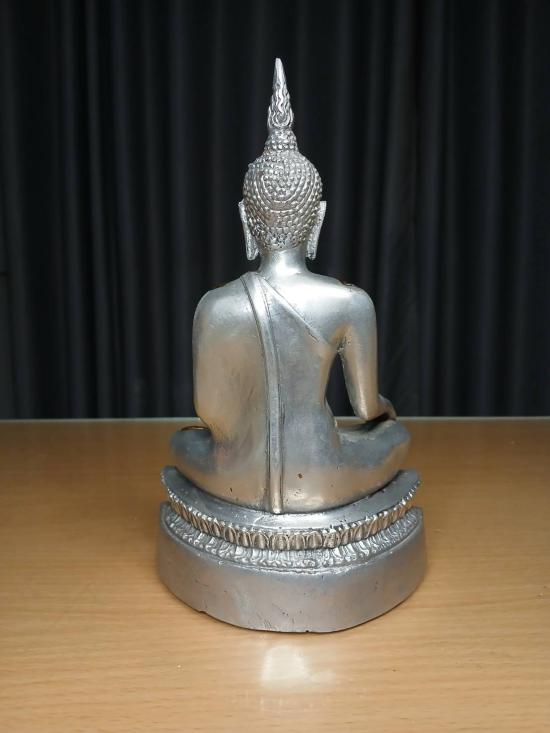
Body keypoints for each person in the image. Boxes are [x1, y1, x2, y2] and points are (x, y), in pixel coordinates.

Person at [172, 59, 409, 513]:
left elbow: (209, 415)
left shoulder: (214, 306)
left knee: (181, 441)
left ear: (245, 220)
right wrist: (386, 411)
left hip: (235, 477)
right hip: (322, 476)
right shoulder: (350, 302)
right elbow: (366, 409)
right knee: (396, 437)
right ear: (318, 219)